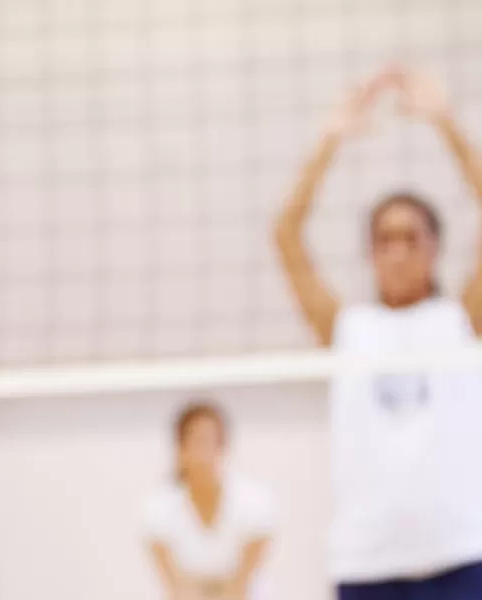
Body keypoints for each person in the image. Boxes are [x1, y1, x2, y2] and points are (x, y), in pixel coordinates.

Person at [274, 66, 482, 598]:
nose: (397, 250)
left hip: (458, 556)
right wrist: (330, 142)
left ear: (434, 247)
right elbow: (286, 235)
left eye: (411, 237)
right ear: (369, 252)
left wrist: (446, 124)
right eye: (384, 239)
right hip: (366, 564)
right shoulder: (348, 328)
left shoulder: (461, 321)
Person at [145, 401, 275, 600]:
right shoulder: (158, 508)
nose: (204, 453)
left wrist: (205, 587)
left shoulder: (254, 501)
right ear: (180, 448)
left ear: (223, 446)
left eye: (211, 441)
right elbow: (178, 589)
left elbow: (239, 586)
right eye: (196, 441)